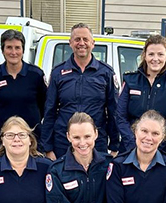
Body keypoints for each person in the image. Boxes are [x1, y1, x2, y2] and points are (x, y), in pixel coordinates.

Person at [41, 23, 119, 160]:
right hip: (64, 142)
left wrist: (114, 146)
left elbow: (113, 110)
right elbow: (49, 111)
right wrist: (47, 148)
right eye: (77, 39)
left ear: (93, 43)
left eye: (85, 39)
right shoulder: (58, 72)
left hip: (95, 142)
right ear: (70, 43)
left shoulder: (106, 73)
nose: (81, 43)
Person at [46, 112, 114, 203]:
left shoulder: (109, 165)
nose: (82, 143)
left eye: (87, 136)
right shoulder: (57, 171)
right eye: (76, 137)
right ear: (68, 137)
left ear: (96, 134)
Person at [115, 35, 166, 155]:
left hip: (161, 149)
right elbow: (120, 116)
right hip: (129, 147)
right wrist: (133, 142)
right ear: (144, 56)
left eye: (160, 54)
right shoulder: (130, 80)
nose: (155, 59)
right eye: (151, 54)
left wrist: (156, 144)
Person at [0, 29, 48, 151]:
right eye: (9, 47)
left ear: (23, 50)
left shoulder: (36, 74)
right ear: (3, 50)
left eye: (17, 48)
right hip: (4, 138)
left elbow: (44, 104)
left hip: (32, 137)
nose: (13, 52)